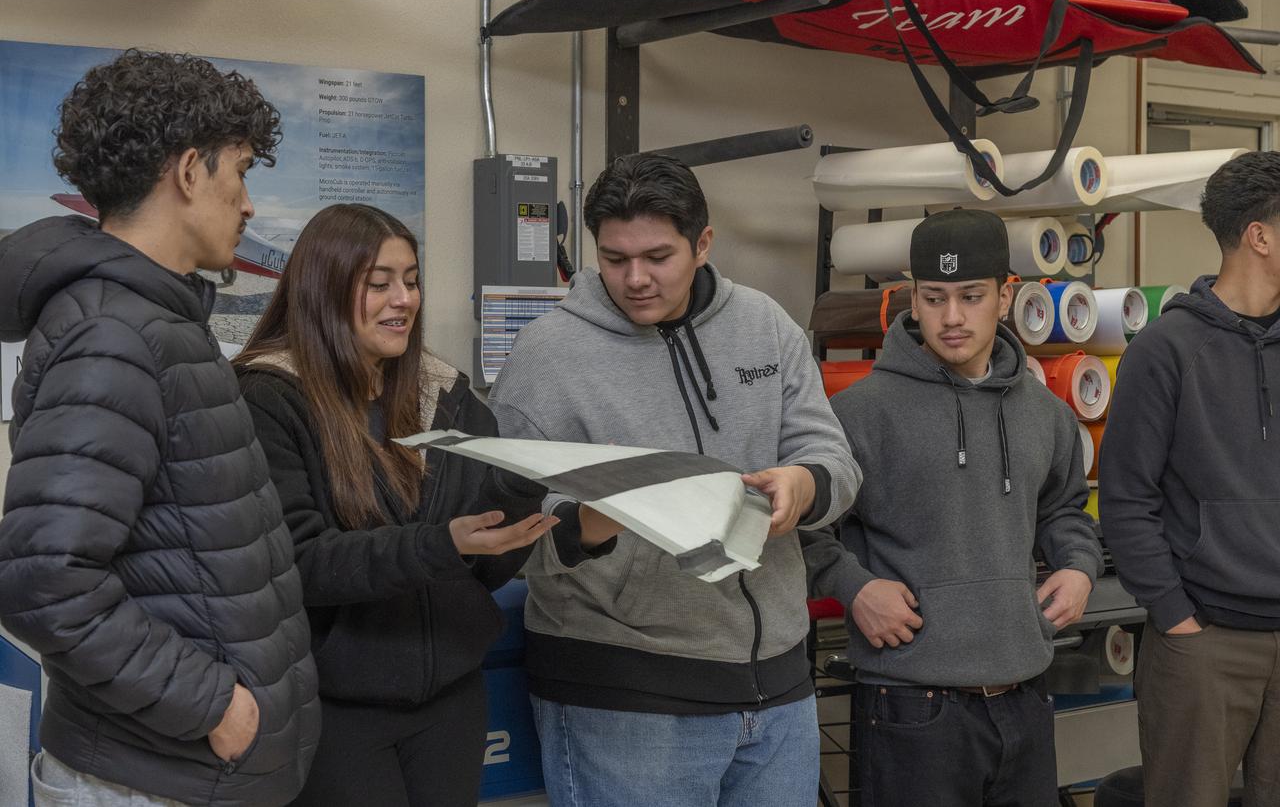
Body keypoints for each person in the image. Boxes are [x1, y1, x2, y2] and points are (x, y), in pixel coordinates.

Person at [487, 153, 860, 807]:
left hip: (777, 690)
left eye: (657, 257)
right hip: (625, 698)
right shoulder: (546, 355)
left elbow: (833, 456)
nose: (634, 278)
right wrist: (593, 519)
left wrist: (804, 484)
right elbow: (506, 524)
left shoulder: (766, 326)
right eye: (614, 258)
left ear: (703, 244)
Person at [0, 49, 319, 806]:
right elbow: (45, 579)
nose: (247, 205)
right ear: (187, 172)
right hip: (149, 779)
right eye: (239, 173)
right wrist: (209, 701)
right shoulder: (115, 333)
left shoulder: (154, 320)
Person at [233, 203, 557, 806]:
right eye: (378, 283)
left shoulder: (447, 394)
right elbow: (298, 564)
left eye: (411, 280)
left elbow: (482, 570)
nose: (404, 299)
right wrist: (444, 543)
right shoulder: (268, 399)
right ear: (323, 290)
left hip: (451, 703)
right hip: (335, 710)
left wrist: (527, 493)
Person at [803, 209, 1103, 806]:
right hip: (912, 704)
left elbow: (1064, 507)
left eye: (971, 296)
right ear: (912, 300)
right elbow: (803, 530)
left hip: (1023, 695)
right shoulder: (860, 413)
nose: (953, 317)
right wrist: (856, 589)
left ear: (1005, 295)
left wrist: (1077, 565)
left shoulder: (1045, 414)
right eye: (934, 298)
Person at [1101, 150, 1280, 807]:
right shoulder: (1164, 352)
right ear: (1260, 236)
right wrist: (1176, 616)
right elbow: (1125, 501)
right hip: (1202, 643)